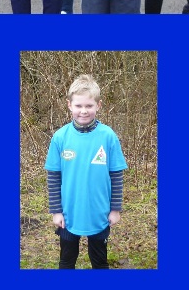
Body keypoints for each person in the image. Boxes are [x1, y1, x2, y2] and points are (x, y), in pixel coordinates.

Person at [44, 75, 128, 269]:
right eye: (79, 105)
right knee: (66, 261)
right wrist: (56, 211)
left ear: (98, 105)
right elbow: (53, 178)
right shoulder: (60, 137)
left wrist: (115, 209)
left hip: (99, 212)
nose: (83, 111)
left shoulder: (108, 136)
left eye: (89, 106)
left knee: (99, 262)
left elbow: (116, 176)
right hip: (69, 212)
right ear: (69, 105)